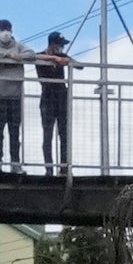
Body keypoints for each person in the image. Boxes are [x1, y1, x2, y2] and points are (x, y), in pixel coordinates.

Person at [0, 19, 26, 169]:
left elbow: (31, 54)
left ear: (12, 31)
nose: (5, 33)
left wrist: (18, 56)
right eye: (3, 30)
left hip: (15, 96)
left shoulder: (19, 46)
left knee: (14, 132)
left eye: (7, 29)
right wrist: (8, 55)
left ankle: (15, 163)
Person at [34, 30, 75, 172]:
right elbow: (33, 57)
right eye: (59, 45)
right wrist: (53, 58)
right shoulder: (42, 56)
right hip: (47, 98)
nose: (61, 48)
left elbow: (79, 65)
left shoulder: (62, 56)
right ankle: (49, 168)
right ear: (52, 44)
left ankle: (64, 167)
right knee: (47, 135)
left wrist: (66, 61)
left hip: (62, 98)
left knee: (64, 134)